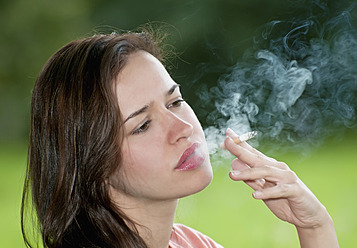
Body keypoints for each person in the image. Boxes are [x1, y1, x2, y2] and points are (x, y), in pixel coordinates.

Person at [21, 30, 339, 248]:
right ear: (92, 163)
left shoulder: (189, 242)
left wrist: (314, 226)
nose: (183, 128)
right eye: (142, 125)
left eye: (175, 102)